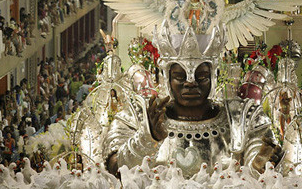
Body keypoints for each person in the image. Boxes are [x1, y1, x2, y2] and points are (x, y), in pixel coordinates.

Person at [104, 25, 283, 178]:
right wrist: (147, 137)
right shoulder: (141, 113)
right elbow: (114, 167)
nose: (190, 83)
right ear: (168, 78)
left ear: (214, 76)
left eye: (202, 76)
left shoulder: (242, 116)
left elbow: (260, 152)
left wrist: (259, 164)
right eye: (180, 76)